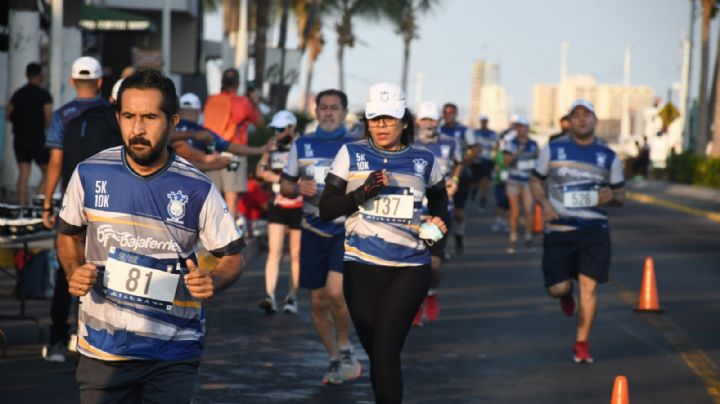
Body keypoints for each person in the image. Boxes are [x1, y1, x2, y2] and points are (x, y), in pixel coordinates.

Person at [56, 69, 245, 402]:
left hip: (173, 351)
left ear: (173, 122)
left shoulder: (197, 186)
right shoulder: (89, 173)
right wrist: (74, 271)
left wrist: (215, 280)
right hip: (104, 349)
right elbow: (68, 234)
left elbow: (232, 255)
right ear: (118, 118)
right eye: (128, 116)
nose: (138, 129)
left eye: (149, 117)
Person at [319, 82, 449, 404]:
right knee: (378, 353)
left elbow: (441, 207)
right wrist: (363, 193)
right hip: (361, 266)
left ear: (404, 121)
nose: (381, 127)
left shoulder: (425, 160)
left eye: (389, 119)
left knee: (387, 351)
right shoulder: (351, 154)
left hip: (410, 268)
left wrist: (435, 229)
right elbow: (326, 209)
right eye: (375, 119)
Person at [530, 99, 625, 363]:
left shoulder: (608, 156)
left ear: (595, 119)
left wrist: (612, 196)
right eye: (576, 115)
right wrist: (544, 203)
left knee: (589, 287)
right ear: (569, 121)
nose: (581, 119)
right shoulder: (552, 150)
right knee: (557, 289)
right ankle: (565, 294)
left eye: (587, 115)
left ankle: (581, 343)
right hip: (559, 227)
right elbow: (535, 181)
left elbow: (621, 194)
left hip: (594, 230)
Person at [41, 56, 123, 362]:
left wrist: (48, 203)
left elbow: (56, 163)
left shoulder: (63, 115)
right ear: (100, 82)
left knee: (69, 269)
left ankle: (57, 341)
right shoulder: (113, 115)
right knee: (103, 269)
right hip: (107, 205)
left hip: (72, 204)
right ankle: (90, 335)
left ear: (73, 81)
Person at [279, 89, 362, 384]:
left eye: (334, 108)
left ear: (344, 112)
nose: (328, 113)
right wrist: (296, 189)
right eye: (323, 108)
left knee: (336, 293)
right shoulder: (302, 145)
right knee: (317, 302)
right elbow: (285, 186)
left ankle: (345, 343)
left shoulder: (356, 145)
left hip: (345, 228)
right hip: (313, 229)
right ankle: (333, 358)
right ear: (316, 112)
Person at [412, 100, 462, 326]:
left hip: (440, 210)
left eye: (432, 119)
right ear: (416, 121)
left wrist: (456, 181)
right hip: (411, 211)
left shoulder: (450, 143)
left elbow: (459, 163)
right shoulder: (407, 144)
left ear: (439, 121)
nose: (428, 124)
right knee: (412, 262)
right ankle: (414, 304)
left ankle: (430, 292)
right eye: (424, 119)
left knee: (434, 264)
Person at [256, 110, 302, 314]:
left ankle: (292, 297)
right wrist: (268, 153)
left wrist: (287, 182)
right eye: (276, 129)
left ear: (292, 128)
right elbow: (259, 172)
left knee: (295, 254)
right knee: (274, 252)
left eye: (282, 129)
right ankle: (270, 296)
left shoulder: (302, 146)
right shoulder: (273, 147)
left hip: (299, 205)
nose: (278, 133)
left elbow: (307, 174)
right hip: (277, 204)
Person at [203, 69, 264, 219]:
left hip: (212, 152)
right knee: (231, 198)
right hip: (235, 153)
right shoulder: (243, 102)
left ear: (222, 82)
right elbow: (260, 123)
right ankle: (229, 236)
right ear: (237, 83)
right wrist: (254, 102)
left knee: (213, 195)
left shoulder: (211, 99)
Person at [5, 62, 53, 206]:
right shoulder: (44, 95)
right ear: (40, 76)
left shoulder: (18, 94)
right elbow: (49, 118)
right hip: (37, 139)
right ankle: (38, 202)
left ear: (27, 75)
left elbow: (8, 115)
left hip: (19, 139)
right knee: (49, 170)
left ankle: (21, 207)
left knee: (23, 173)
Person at [439, 103, 478, 254]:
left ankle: (459, 235)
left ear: (456, 114)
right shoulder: (438, 129)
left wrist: (461, 163)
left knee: (458, 212)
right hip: (441, 176)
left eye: (451, 113)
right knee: (439, 211)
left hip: (461, 176)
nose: (448, 115)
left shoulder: (464, 130)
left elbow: (474, 150)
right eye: (445, 112)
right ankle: (439, 245)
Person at [502, 116, 538, 253]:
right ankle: (513, 237)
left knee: (529, 210)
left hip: (528, 181)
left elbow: (539, 161)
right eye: (518, 127)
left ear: (527, 128)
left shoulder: (533, 144)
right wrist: (515, 154)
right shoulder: (510, 143)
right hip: (513, 180)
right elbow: (505, 162)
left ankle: (528, 238)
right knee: (515, 211)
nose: (521, 129)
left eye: (523, 127)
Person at [470, 115, 498, 212]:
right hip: (477, 161)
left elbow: (497, 146)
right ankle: (474, 190)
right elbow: (472, 145)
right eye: (482, 121)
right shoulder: (475, 133)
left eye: (485, 121)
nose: (484, 123)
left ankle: (483, 201)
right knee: (476, 181)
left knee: (485, 181)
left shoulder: (493, 134)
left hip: (488, 161)